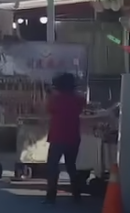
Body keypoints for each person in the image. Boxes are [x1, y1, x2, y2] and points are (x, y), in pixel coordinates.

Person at [44, 72, 85, 204]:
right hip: (73, 137)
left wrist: (50, 94)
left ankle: (51, 195)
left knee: (52, 166)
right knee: (71, 166)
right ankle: (77, 194)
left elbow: (48, 109)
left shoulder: (55, 98)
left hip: (58, 137)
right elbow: (82, 106)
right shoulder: (78, 99)